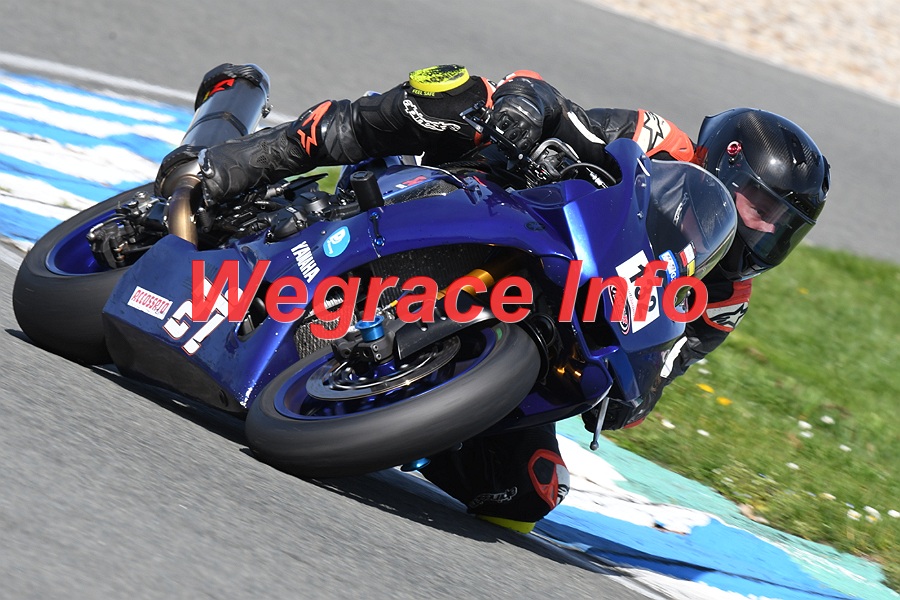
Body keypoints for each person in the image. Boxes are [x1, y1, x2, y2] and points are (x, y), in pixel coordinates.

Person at [159, 64, 830, 532]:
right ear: (724, 163)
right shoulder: (663, 143)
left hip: (545, 316)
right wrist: (526, 111)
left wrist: (634, 387)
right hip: (495, 202)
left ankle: (401, 405)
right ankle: (247, 161)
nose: (763, 231)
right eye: (759, 206)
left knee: (526, 493)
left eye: (783, 226)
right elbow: (560, 112)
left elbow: (655, 378)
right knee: (453, 93)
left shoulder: (724, 296)